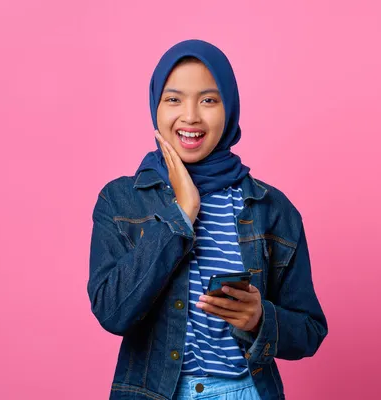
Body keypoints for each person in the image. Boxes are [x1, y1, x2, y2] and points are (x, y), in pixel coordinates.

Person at [87, 39, 328, 400]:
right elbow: (113, 313)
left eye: (208, 100)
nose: (191, 116)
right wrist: (181, 214)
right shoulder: (120, 201)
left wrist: (260, 319)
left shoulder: (272, 208)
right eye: (174, 99)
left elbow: (309, 331)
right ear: (156, 105)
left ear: (229, 108)